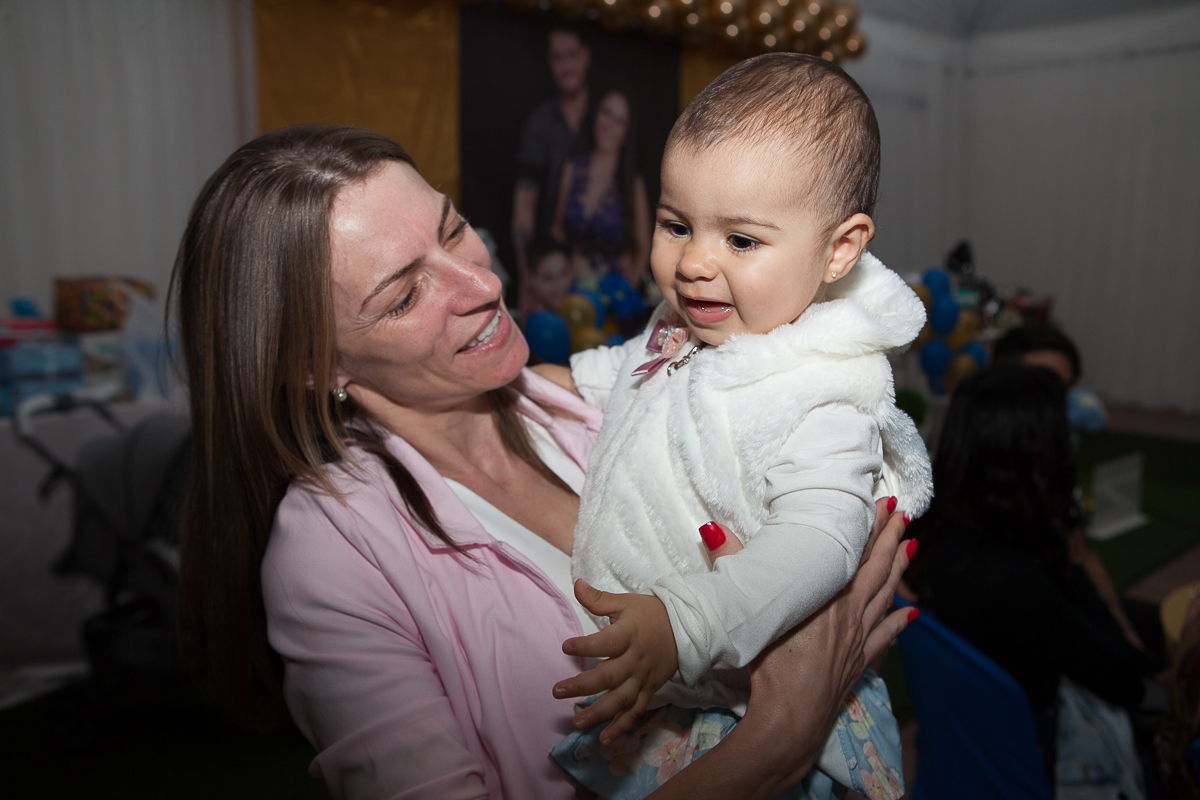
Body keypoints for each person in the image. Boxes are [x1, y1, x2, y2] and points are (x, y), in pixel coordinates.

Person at [170, 123, 917, 800]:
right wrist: (780, 738)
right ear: (313, 365)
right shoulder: (333, 555)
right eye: (404, 295)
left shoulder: (597, 401)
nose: (485, 282)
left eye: (455, 228)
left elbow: (808, 523)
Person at [545, 54, 932, 799]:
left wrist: (687, 623)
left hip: (747, 710)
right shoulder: (681, 327)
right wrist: (542, 379)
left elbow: (819, 541)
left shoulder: (819, 392)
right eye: (676, 224)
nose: (694, 262)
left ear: (840, 248)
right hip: (673, 710)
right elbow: (620, 373)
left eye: (741, 241)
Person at [905, 364, 1165, 798]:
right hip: (1041, 756)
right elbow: (1127, 682)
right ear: (1036, 452)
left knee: (1146, 618)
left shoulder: (942, 535)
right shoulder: (1008, 579)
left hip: (966, 747)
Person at [513, 26, 591, 314]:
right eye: (559, 58)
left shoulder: (603, 115)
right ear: (550, 63)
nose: (567, 65)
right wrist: (528, 277)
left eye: (572, 55)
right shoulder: (540, 122)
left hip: (597, 264)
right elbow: (525, 204)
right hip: (552, 267)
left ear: (585, 56)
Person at [549, 89, 651, 287]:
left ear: (627, 133)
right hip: (570, 289)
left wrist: (626, 292)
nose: (609, 125)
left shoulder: (632, 183)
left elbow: (643, 245)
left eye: (619, 121)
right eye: (606, 113)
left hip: (613, 295)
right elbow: (557, 230)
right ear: (595, 114)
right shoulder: (571, 168)